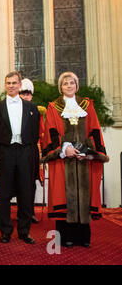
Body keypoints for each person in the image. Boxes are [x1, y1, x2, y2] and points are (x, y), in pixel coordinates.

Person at [41, 71, 109, 248]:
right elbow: (51, 133)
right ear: (60, 87)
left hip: (84, 159)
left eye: (72, 83)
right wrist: (64, 149)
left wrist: (89, 152)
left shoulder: (87, 105)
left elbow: (94, 130)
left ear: (76, 85)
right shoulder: (53, 107)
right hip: (64, 159)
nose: (69, 86)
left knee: (84, 195)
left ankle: (83, 237)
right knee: (64, 194)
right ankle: (66, 237)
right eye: (65, 83)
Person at [0, 71, 40, 245]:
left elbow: (35, 133)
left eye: (14, 83)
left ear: (20, 85)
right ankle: (5, 231)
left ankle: (24, 231)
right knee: (4, 194)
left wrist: (28, 150)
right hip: (5, 153)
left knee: (26, 193)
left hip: (24, 152)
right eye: (8, 83)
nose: (11, 86)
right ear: (5, 85)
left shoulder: (31, 108)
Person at [19, 78, 45, 223]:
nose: (26, 96)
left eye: (28, 93)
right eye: (23, 93)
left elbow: (41, 132)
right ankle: (19, 213)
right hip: (16, 151)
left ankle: (29, 212)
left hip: (31, 150)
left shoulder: (36, 111)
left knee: (30, 183)